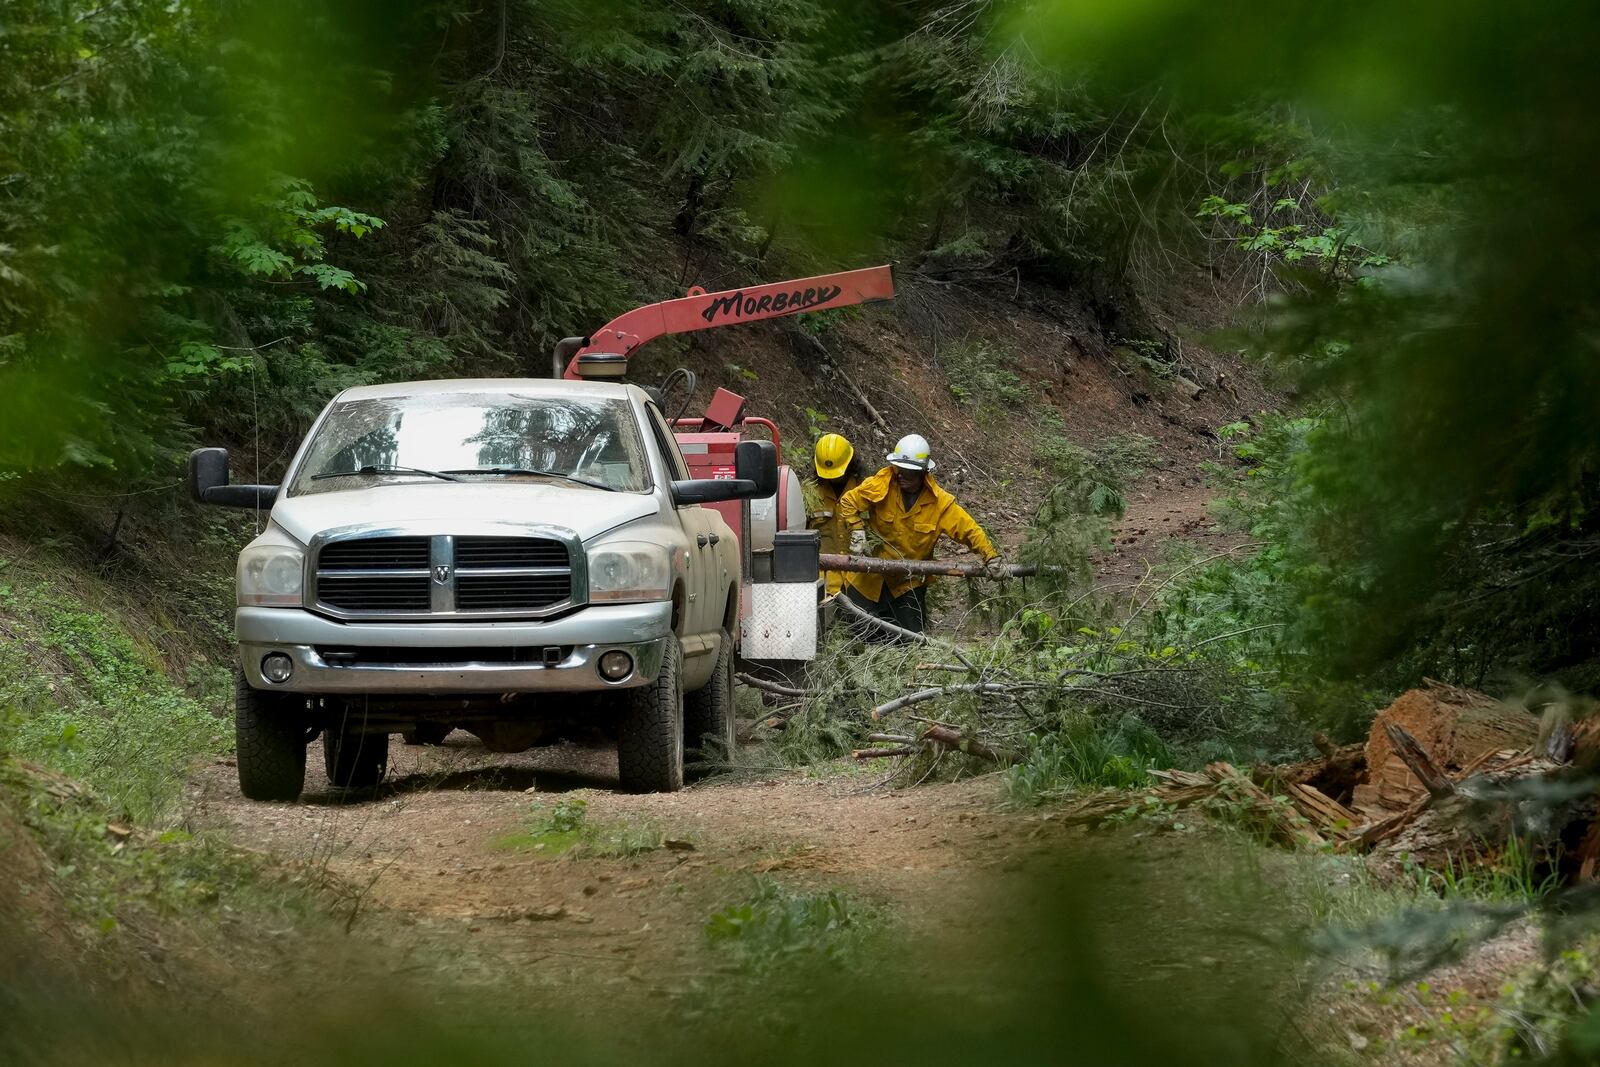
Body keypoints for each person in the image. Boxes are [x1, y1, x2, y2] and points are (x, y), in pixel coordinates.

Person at [837, 433, 1005, 635]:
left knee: (910, 639)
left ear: (923, 473)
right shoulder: (881, 484)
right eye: (900, 469)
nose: (902, 476)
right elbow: (848, 502)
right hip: (868, 577)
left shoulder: (939, 504)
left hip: (907, 583)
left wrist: (991, 556)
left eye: (909, 472)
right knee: (854, 633)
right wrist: (856, 529)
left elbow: (969, 529)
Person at [806, 432, 866, 596]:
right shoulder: (809, 494)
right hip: (824, 584)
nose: (833, 479)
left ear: (850, 464)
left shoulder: (867, 491)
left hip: (861, 582)